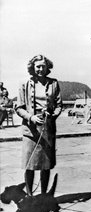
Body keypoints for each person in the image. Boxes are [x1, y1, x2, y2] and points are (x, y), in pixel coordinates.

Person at [15, 55, 62, 196]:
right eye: (38, 66)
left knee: (45, 165)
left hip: (47, 129)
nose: (40, 69)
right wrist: (31, 117)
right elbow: (19, 108)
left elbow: (59, 106)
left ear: (48, 67)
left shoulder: (54, 83)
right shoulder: (24, 84)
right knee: (29, 165)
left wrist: (52, 114)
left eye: (43, 66)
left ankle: (43, 196)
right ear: (32, 68)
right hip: (30, 130)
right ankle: (29, 196)